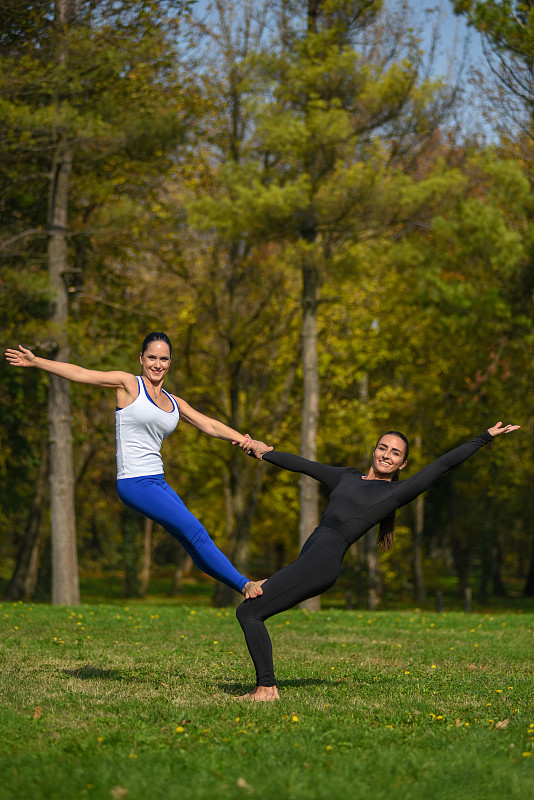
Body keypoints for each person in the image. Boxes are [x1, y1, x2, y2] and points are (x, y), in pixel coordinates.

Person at [235, 422, 520, 700]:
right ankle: (266, 687)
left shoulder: (394, 493)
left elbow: (442, 465)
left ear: (402, 464)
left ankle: (267, 689)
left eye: (395, 453)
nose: (387, 455)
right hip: (312, 558)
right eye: (383, 448)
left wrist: (484, 438)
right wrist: (263, 451)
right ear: (373, 451)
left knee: (250, 612)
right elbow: (304, 465)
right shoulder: (347, 476)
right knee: (253, 609)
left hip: (323, 562)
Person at [5, 333, 265, 599]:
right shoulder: (129, 385)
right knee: (195, 531)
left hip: (158, 482)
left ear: (170, 362)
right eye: (152, 357)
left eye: (164, 359)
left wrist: (247, 440)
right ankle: (246, 586)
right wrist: (38, 362)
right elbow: (82, 373)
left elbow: (208, 424)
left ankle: (241, 587)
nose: (157, 364)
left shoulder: (174, 402)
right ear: (141, 359)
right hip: (135, 482)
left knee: (191, 539)